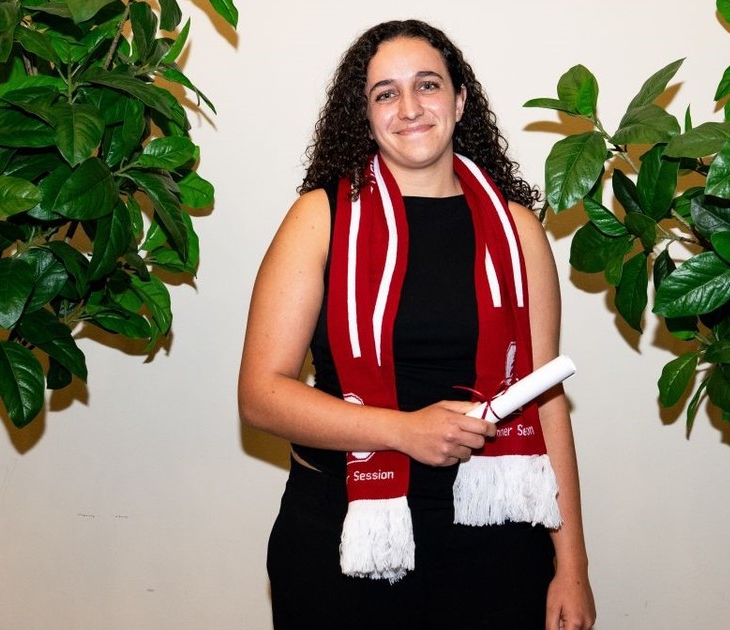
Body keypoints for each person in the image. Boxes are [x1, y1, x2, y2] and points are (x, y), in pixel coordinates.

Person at [238, 19, 595, 630]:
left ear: (459, 100)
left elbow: (544, 399)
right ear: (365, 114)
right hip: (343, 537)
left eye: (427, 85)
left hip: (494, 538)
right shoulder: (319, 219)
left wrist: (574, 568)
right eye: (386, 93)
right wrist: (404, 431)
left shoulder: (518, 230)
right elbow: (260, 396)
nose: (409, 108)